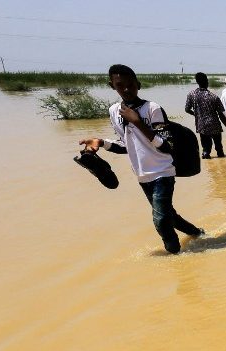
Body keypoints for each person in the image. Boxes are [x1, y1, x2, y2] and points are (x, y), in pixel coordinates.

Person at [80, 64, 204, 254]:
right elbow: (126, 146)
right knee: (169, 215)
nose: (127, 89)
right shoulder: (114, 111)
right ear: (112, 86)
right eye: (121, 85)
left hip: (163, 171)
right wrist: (101, 142)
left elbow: (166, 146)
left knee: (161, 221)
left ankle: (177, 257)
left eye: (131, 84)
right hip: (142, 175)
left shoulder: (152, 109)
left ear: (138, 84)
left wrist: (138, 122)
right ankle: (198, 233)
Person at [184, 72, 226, 158]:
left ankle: (206, 155)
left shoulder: (191, 95)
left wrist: (196, 114)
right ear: (207, 81)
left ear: (197, 82)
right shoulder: (214, 96)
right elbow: (221, 115)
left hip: (202, 125)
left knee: (205, 149)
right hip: (215, 125)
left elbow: (187, 109)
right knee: (219, 149)